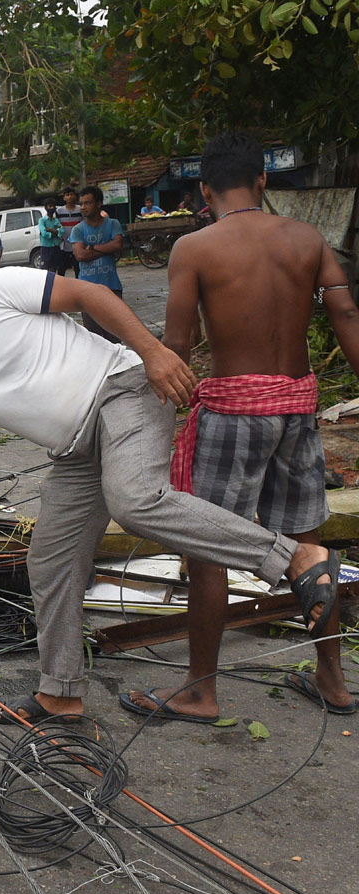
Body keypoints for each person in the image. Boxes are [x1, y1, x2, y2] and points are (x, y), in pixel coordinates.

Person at [0, 262, 338, 724]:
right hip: (74, 450)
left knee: (135, 499)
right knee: (49, 562)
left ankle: (296, 558)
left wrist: (152, 352)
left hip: (122, 392)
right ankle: (61, 694)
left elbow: (89, 293)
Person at [122, 132, 359, 722]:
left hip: (233, 412)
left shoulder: (195, 248)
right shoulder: (308, 238)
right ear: (262, 183)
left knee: (210, 551)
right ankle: (333, 681)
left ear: (204, 191)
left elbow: (180, 343)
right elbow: (346, 312)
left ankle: (201, 692)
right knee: (307, 545)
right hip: (297, 407)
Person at [70, 185, 124, 343]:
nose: (84, 207)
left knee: (115, 336)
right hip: (87, 289)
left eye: (88, 203)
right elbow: (79, 255)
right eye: (82, 204)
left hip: (111, 286)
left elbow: (117, 245)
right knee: (94, 339)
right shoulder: (78, 230)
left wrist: (92, 248)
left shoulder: (112, 224)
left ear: (99, 203)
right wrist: (106, 248)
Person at [56, 186, 82, 277]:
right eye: (67, 195)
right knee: (61, 270)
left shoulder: (80, 209)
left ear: (75, 196)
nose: (70, 197)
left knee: (78, 269)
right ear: (64, 198)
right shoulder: (59, 211)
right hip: (64, 245)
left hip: (77, 244)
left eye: (72, 194)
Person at [38, 199, 65, 274]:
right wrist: (55, 232)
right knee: (45, 270)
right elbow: (44, 233)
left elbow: (62, 230)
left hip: (55, 247)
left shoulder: (55, 220)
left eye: (53, 206)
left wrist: (50, 230)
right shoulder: (42, 220)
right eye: (50, 206)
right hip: (46, 248)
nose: (52, 208)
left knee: (54, 268)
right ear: (46, 208)